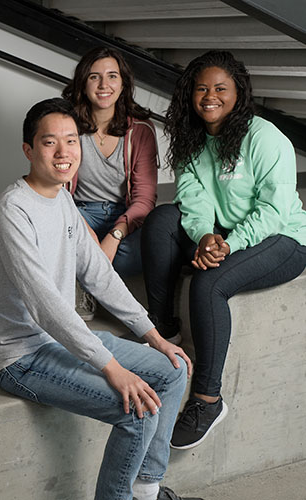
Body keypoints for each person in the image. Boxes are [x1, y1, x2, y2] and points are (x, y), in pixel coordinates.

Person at [0, 97, 201, 500]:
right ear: (28, 150)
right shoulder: (12, 209)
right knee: (137, 409)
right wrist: (111, 367)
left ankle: (146, 490)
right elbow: (46, 306)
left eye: (71, 140)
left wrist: (153, 336)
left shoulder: (62, 199)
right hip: (20, 358)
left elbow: (99, 272)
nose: (64, 153)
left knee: (170, 370)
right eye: (50, 143)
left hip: (59, 342)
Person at [141, 50, 306, 450]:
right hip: (222, 232)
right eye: (201, 88)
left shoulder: (265, 138)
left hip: (282, 238)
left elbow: (272, 210)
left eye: (220, 88)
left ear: (238, 93)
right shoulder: (192, 139)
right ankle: (163, 330)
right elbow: (192, 197)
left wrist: (227, 245)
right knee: (162, 220)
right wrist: (203, 237)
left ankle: (207, 400)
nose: (209, 96)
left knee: (209, 282)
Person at [63, 47, 159, 322]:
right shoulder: (69, 124)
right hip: (79, 211)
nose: (104, 85)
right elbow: (54, 187)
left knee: (136, 253)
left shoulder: (141, 130)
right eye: (94, 77)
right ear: (83, 83)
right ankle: (83, 284)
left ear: (123, 83)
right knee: (57, 232)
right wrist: (84, 231)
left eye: (112, 76)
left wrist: (115, 235)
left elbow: (145, 199)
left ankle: (83, 273)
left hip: (125, 216)